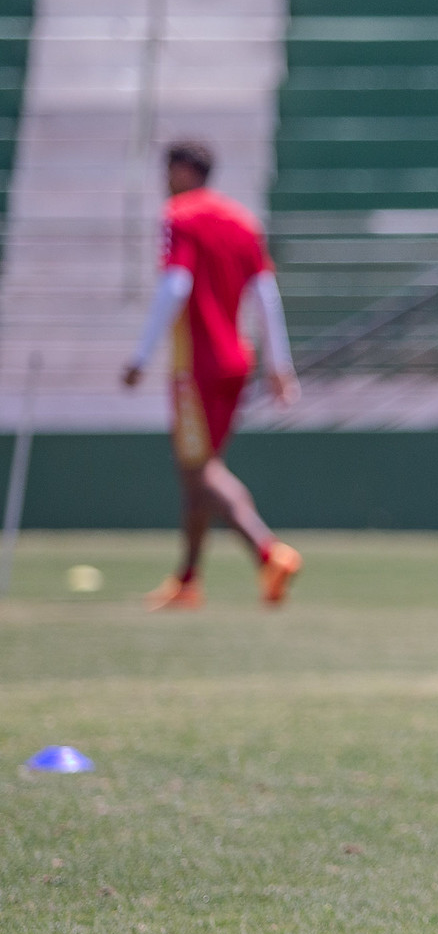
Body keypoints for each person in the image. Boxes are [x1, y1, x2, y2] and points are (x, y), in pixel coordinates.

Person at [122, 141, 303, 610]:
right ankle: (188, 580)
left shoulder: (179, 216)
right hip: (236, 362)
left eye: (168, 170)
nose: (164, 180)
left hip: (196, 367)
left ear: (185, 171)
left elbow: (176, 284)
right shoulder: (243, 222)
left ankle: (268, 551)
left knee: (201, 470)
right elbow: (265, 294)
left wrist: (141, 356)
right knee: (197, 474)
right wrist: (279, 366)